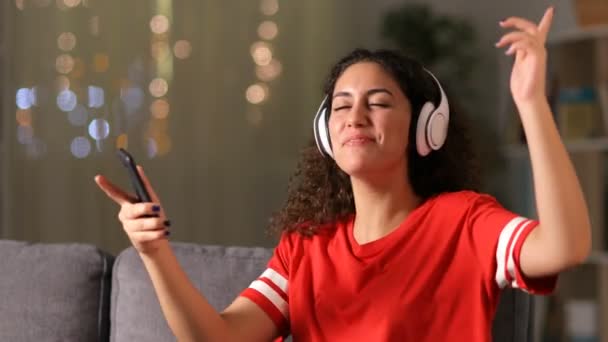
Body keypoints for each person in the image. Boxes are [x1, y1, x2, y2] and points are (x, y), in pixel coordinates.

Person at [95, 6, 591, 341]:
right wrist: (153, 251)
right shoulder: (305, 248)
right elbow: (219, 337)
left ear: (425, 129)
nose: (355, 117)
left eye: (378, 103)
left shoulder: (465, 223)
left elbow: (565, 247)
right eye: (341, 106)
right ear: (326, 136)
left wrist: (531, 104)